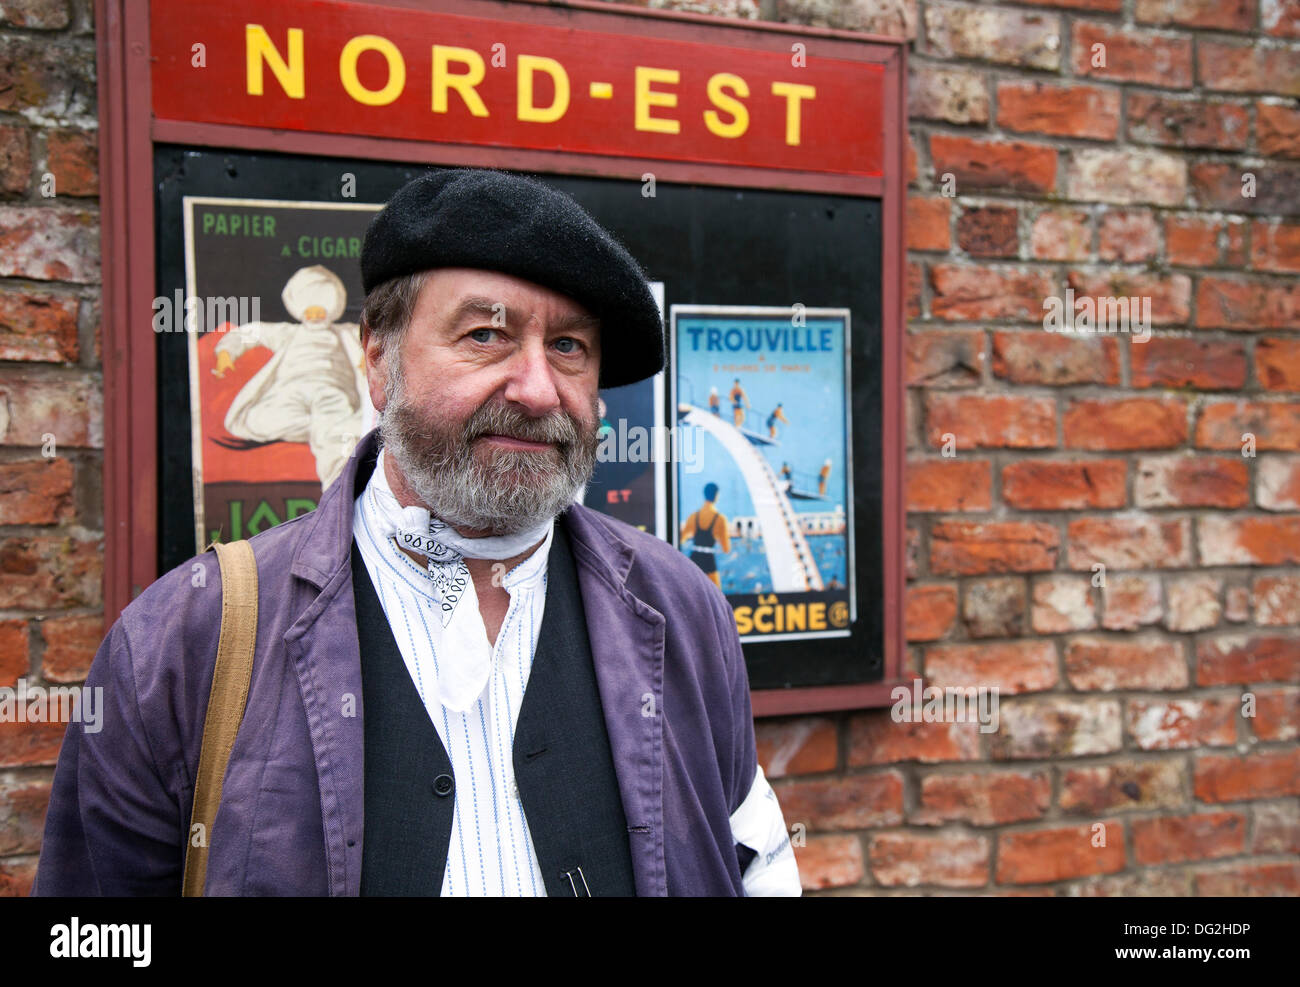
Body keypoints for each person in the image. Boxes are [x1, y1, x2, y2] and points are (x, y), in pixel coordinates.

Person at [33, 168, 799, 897]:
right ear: (377, 357)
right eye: (484, 336)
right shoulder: (183, 641)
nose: (537, 389)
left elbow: (755, 860)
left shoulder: (681, 610)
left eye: (569, 346)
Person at [212, 264, 370, 490]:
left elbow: (375, 339)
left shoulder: (344, 332)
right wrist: (226, 352)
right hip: (289, 392)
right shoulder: (289, 333)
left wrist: (366, 354)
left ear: (332, 308)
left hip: (330, 391)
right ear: (299, 308)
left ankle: (337, 493)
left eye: (320, 311)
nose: (315, 316)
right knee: (257, 421)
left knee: (334, 431)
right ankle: (330, 428)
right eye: (310, 311)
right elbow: (252, 332)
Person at [680, 482, 733, 589]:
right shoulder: (720, 519)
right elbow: (726, 549)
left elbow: (680, 540)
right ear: (716, 495)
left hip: (694, 559)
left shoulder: (693, 516)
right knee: (717, 598)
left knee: (692, 592)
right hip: (709, 560)